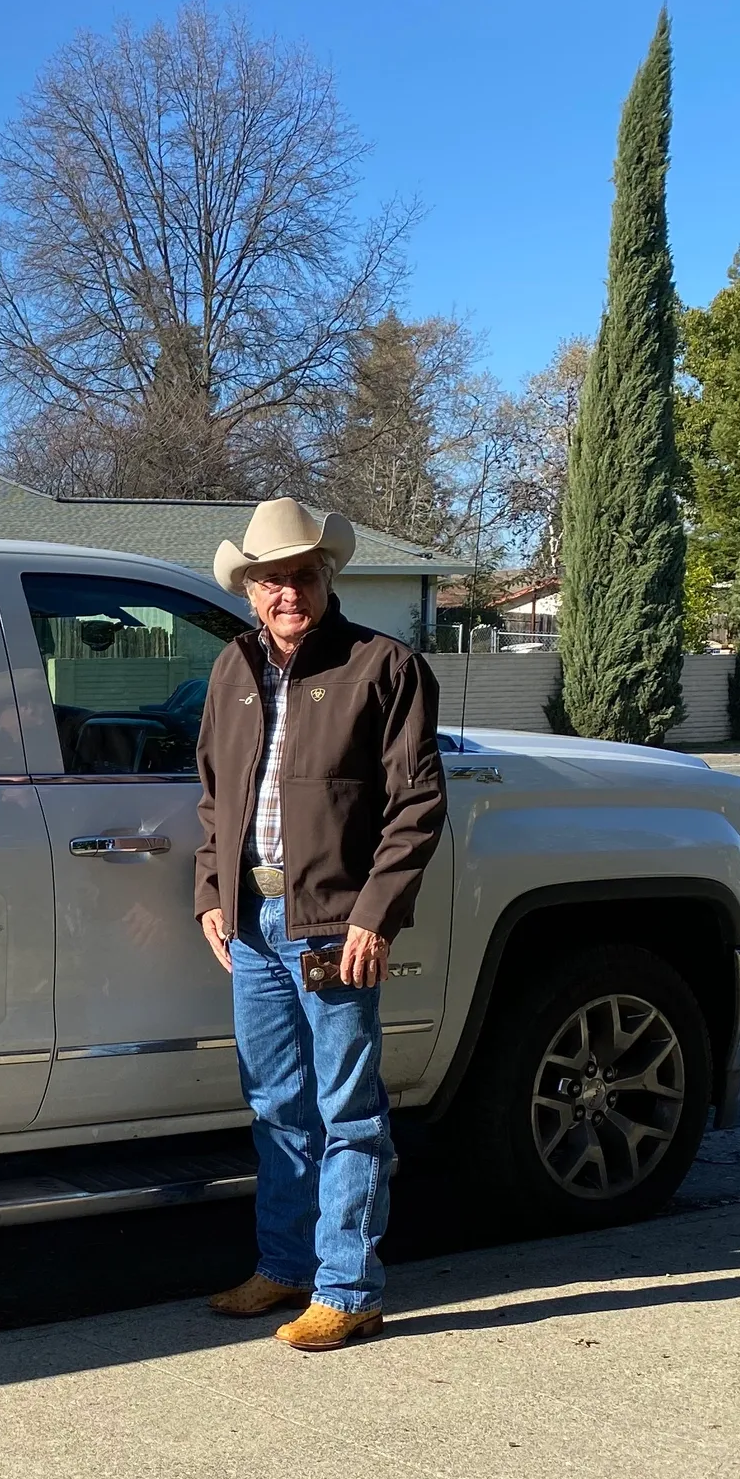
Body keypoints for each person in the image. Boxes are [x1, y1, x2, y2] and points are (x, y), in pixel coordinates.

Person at [193, 498, 446, 1350]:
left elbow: (416, 806)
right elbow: (213, 799)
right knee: (275, 1105)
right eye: (272, 579)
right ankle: (285, 1266)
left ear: (326, 579)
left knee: (349, 1111)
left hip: (336, 923)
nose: (287, 592)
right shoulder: (232, 669)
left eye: (302, 575)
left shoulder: (384, 666)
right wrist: (210, 892)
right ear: (250, 589)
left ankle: (348, 1287)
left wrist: (375, 915)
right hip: (256, 922)